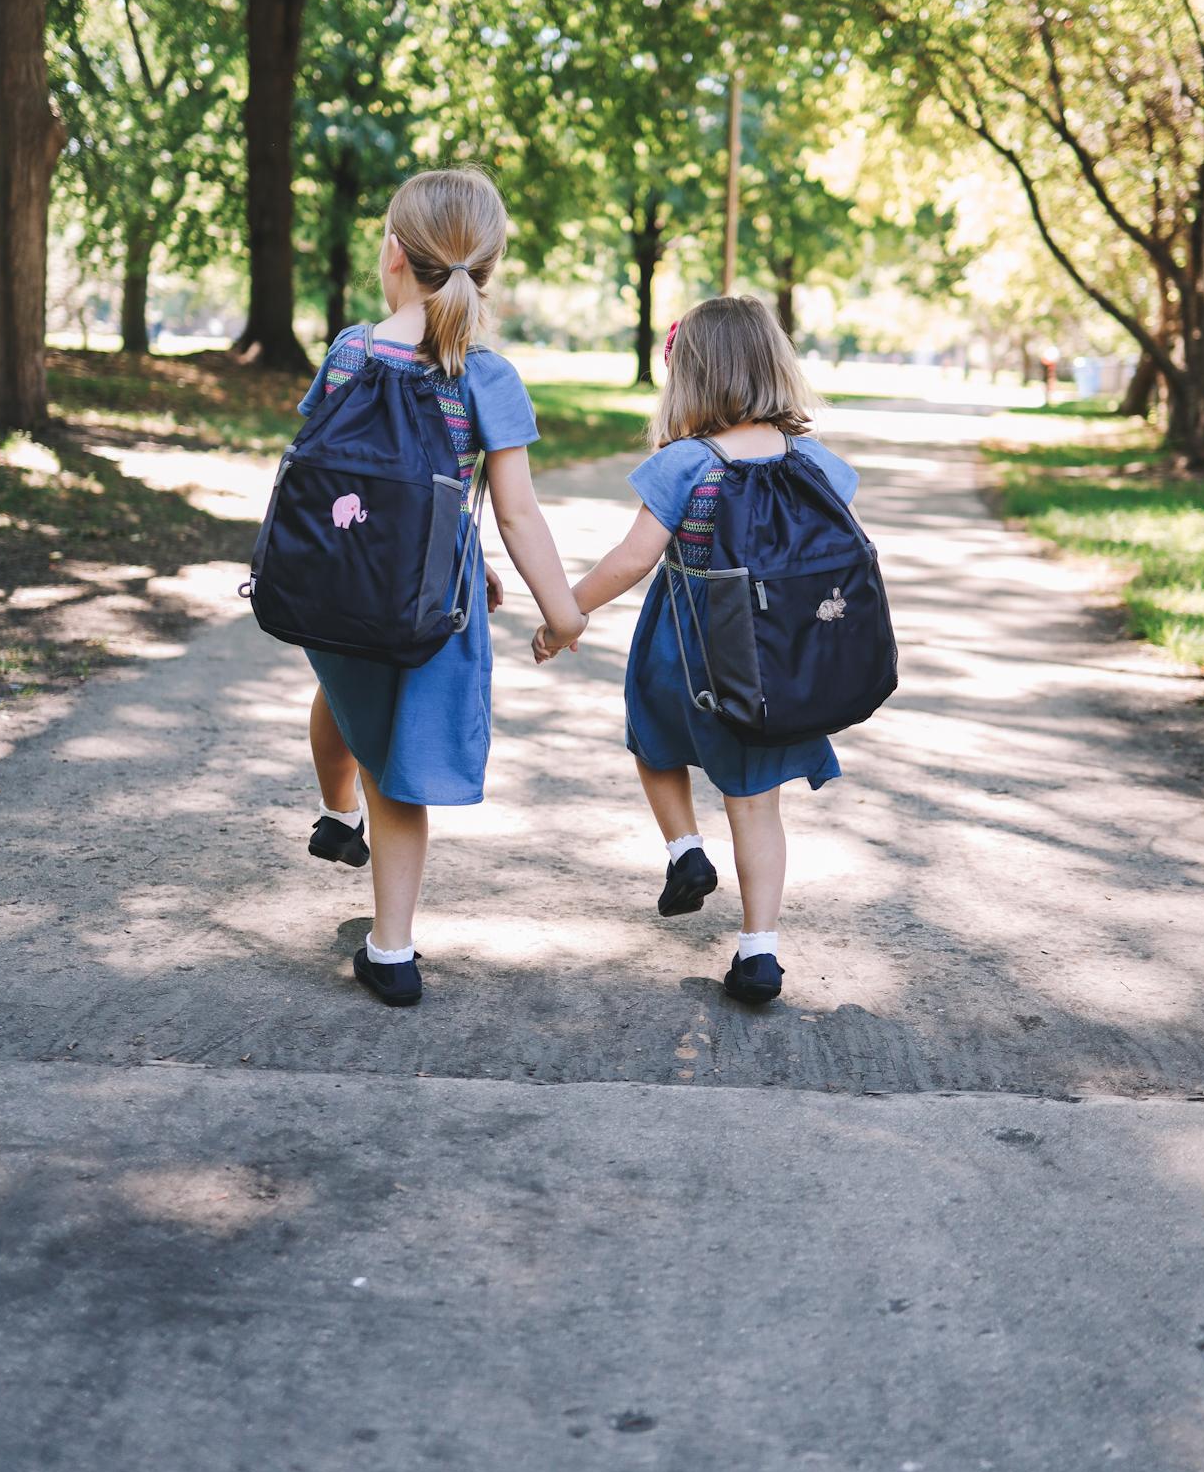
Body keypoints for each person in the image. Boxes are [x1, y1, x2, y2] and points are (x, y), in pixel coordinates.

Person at [298, 167, 586, 1005]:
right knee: (401, 771)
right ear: (486, 268)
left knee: (344, 699)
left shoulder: (351, 350)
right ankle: (391, 951)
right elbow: (518, 515)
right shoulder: (484, 376)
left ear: (392, 251)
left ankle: (334, 811)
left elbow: (333, 475)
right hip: (429, 601)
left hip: (342, 584)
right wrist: (561, 612)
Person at [535, 295, 859, 1005]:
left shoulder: (685, 462)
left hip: (681, 653)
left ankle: (684, 852)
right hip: (772, 663)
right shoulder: (817, 462)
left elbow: (629, 561)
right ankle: (758, 952)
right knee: (755, 807)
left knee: (652, 744)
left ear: (689, 378)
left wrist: (567, 614)